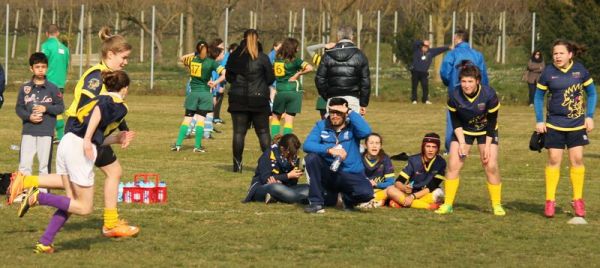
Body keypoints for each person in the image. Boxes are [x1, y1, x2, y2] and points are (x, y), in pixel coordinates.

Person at [8, 27, 139, 238]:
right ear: (110, 54)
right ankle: (109, 224)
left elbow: (111, 107)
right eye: (124, 57)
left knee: (80, 180)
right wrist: (89, 139)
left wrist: (123, 130)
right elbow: (92, 108)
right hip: (82, 134)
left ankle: (42, 228)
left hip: (87, 134)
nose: (126, 62)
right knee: (81, 195)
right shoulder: (97, 76)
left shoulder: (110, 75)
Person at [13, 70, 134, 254]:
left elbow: (95, 133)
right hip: (79, 148)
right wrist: (86, 140)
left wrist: (116, 139)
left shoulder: (98, 97)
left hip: (68, 141)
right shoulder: (117, 104)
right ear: (125, 88)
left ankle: (45, 242)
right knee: (85, 208)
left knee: (69, 202)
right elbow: (98, 115)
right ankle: (38, 196)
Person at [534, 40, 597, 218]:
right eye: (555, 54)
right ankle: (550, 201)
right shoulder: (548, 72)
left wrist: (590, 116)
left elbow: (592, 93)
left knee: (577, 159)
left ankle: (578, 200)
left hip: (577, 124)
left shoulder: (580, 71)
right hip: (554, 124)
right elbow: (539, 97)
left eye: (561, 53)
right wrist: (540, 120)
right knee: (554, 159)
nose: (557, 56)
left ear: (570, 55)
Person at [435, 62, 505, 216]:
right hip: (463, 130)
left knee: (490, 165)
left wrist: (487, 146)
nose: (466, 85)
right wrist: (461, 143)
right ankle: (448, 204)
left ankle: (496, 205)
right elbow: (455, 121)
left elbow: (492, 122)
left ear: (477, 81)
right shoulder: (454, 95)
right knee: (453, 164)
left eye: (470, 81)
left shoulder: (489, 95)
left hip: (486, 131)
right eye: (464, 81)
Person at [303, 97, 373, 213]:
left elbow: (366, 132)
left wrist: (350, 111)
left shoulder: (352, 126)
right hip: (330, 173)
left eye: (338, 112)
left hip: (351, 172)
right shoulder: (321, 126)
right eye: (332, 112)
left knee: (367, 193)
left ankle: (347, 199)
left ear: (345, 113)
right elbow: (307, 145)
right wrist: (329, 150)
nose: (334, 115)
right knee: (311, 158)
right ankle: (316, 203)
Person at [225, 29, 275, 172]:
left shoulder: (234, 56)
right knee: (264, 132)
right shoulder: (263, 58)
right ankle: (269, 165)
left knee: (239, 133)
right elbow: (271, 78)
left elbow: (229, 77)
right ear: (257, 39)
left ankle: (237, 165)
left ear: (243, 39)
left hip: (238, 99)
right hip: (259, 99)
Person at [15, 53, 64, 185]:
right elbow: (19, 108)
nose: (40, 69)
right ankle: (23, 190)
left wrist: (46, 108)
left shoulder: (53, 88)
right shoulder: (25, 88)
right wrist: (28, 116)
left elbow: (60, 107)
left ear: (47, 68)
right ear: (31, 69)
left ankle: (43, 193)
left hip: (46, 131)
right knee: (25, 163)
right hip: (28, 131)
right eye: (37, 67)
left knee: (44, 165)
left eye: (43, 67)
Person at [440, 29, 489, 153]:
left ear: (457, 38)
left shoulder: (451, 54)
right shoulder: (477, 55)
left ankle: (451, 147)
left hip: (455, 92)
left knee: (453, 118)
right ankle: (478, 144)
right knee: (476, 119)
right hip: (475, 93)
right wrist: (483, 91)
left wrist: (449, 84)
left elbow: (444, 73)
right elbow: (482, 74)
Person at [172, 40, 225, 152]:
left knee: (187, 119)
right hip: (205, 94)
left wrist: (195, 53)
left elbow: (182, 58)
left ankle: (177, 145)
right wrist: (215, 83)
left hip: (193, 93)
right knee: (201, 120)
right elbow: (225, 73)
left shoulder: (192, 60)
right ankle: (197, 146)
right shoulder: (211, 62)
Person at [315, 26, 370, 115]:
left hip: (333, 99)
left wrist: (327, 95)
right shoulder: (360, 55)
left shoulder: (327, 55)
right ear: (352, 37)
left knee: (333, 126)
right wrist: (363, 103)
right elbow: (365, 82)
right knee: (354, 127)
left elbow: (319, 79)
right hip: (353, 99)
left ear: (338, 37)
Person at [243, 134, 308, 204]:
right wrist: (288, 176)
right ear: (282, 148)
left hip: (285, 188)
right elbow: (266, 179)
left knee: (308, 188)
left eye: (295, 152)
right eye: (290, 153)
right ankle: (303, 199)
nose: (293, 155)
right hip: (263, 187)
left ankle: (277, 198)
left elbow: (293, 183)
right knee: (276, 187)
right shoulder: (268, 154)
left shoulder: (294, 157)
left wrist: (292, 177)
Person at [386, 133, 445, 210]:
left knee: (439, 194)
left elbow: (431, 187)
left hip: (426, 193)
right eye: (428, 146)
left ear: (438, 149)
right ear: (423, 147)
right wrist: (404, 188)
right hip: (411, 192)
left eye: (434, 147)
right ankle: (428, 206)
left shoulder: (441, 162)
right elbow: (398, 182)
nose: (431, 150)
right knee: (390, 190)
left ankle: (402, 203)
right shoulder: (413, 160)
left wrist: (412, 197)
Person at [271, 38, 313, 137]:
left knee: (276, 117)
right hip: (294, 91)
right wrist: (298, 74)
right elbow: (310, 68)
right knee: (289, 120)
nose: (298, 49)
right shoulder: (296, 61)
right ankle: (286, 145)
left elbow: (273, 72)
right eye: (296, 47)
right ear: (292, 48)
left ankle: (274, 142)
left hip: (280, 90)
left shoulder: (276, 60)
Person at [41, 24, 70, 141]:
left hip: (47, 81)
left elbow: (41, 62)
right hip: (60, 83)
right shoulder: (65, 49)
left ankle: (46, 133)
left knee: (44, 106)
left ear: (47, 34)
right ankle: (60, 135)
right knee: (57, 107)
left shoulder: (46, 45)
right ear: (57, 33)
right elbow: (66, 65)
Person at [410, 40, 449, 104]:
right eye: (424, 46)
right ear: (421, 46)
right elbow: (414, 43)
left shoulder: (431, 52)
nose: (425, 48)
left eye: (427, 47)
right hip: (415, 71)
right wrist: (422, 42)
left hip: (424, 73)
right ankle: (414, 99)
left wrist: (448, 47)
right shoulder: (416, 50)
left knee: (425, 86)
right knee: (414, 86)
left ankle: (425, 100)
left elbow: (440, 49)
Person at [362, 133, 395, 208]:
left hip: (380, 191)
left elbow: (391, 182)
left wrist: (376, 184)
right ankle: (375, 202)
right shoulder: (359, 158)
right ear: (365, 145)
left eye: (377, 143)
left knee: (391, 190)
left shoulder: (385, 159)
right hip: (362, 190)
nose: (374, 146)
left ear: (380, 146)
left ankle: (370, 202)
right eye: (371, 143)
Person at [307, 42, 336, 119]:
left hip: (326, 95)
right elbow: (308, 49)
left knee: (325, 120)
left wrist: (323, 45)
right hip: (330, 95)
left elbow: (309, 49)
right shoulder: (339, 61)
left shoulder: (321, 60)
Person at [213, 42, 238, 125]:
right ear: (231, 51)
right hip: (218, 81)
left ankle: (216, 117)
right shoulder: (227, 57)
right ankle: (214, 118)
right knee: (216, 99)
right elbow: (222, 71)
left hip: (221, 81)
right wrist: (220, 84)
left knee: (219, 98)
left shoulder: (230, 57)